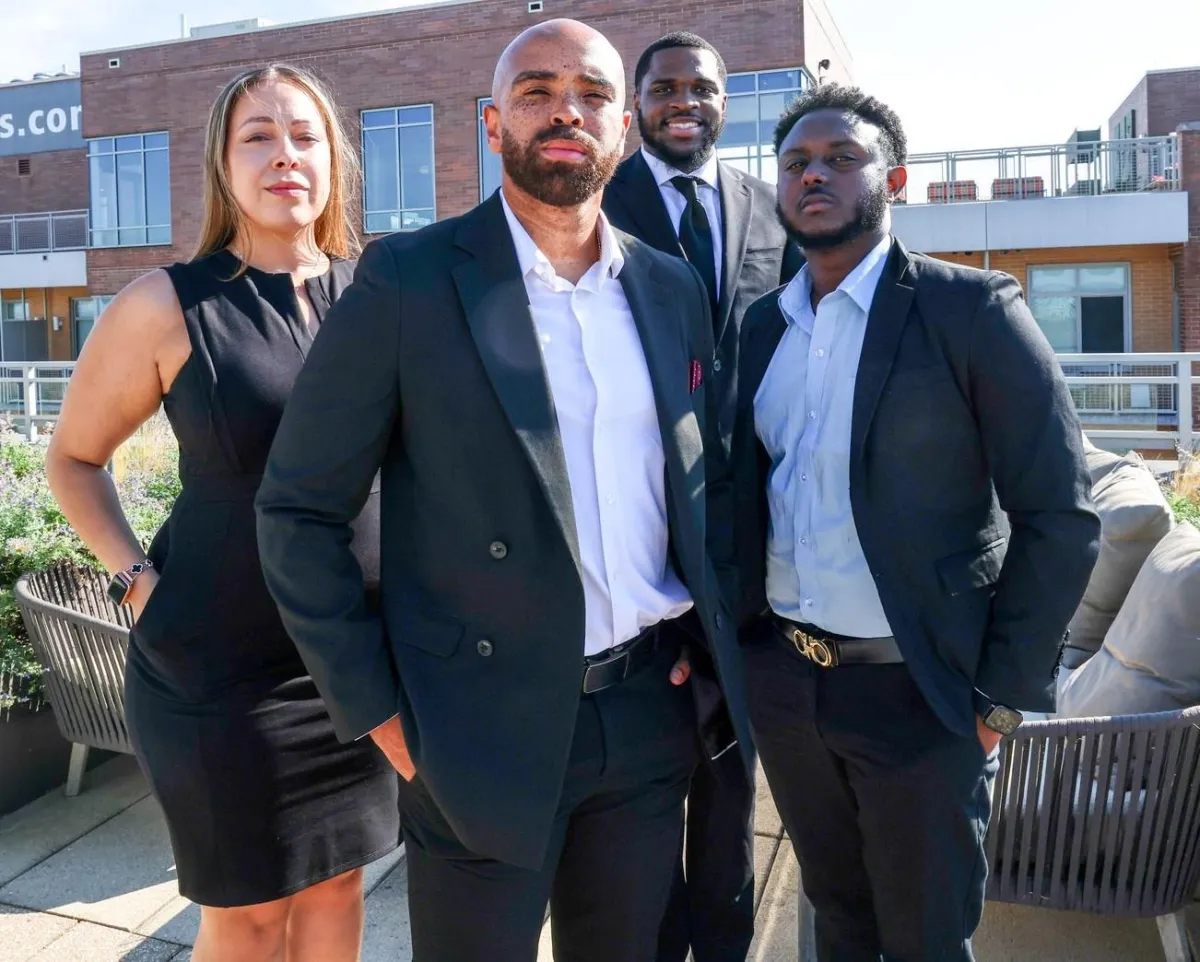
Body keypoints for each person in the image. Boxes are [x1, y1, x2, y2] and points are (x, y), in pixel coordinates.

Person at [254, 19, 748, 962]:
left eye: (593, 95)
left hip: (646, 716)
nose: (567, 111)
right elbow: (298, 511)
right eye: (536, 92)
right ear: (492, 124)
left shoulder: (670, 287)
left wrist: (700, 649)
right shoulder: (411, 278)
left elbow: (704, 484)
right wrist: (380, 712)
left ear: (624, 129)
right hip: (473, 728)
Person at [730, 83, 1101, 961]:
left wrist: (999, 700)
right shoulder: (762, 326)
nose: (813, 175)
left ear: (892, 179)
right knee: (838, 916)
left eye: (841, 158)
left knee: (925, 938)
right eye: (795, 162)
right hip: (789, 688)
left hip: (921, 694)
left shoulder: (971, 310)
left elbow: (1059, 514)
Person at [44, 65, 398, 962]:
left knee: (338, 887)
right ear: (222, 163)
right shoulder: (166, 303)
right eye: (258, 137)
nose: (286, 155)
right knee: (248, 916)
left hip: (354, 663)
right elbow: (73, 460)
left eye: (305, 136)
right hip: (218, 669)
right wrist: (137, 582)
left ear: (334, 160)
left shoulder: (381, 293)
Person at [601, 31, 801, 962]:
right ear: (636, 105)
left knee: (732, 766)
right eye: (665, 88)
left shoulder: (771, 208)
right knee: (646, 774)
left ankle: (723, 944)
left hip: (749, 537)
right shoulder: (593, 203)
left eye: (704, 89)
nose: (685, 102)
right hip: (640, 527)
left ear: (726, 102)